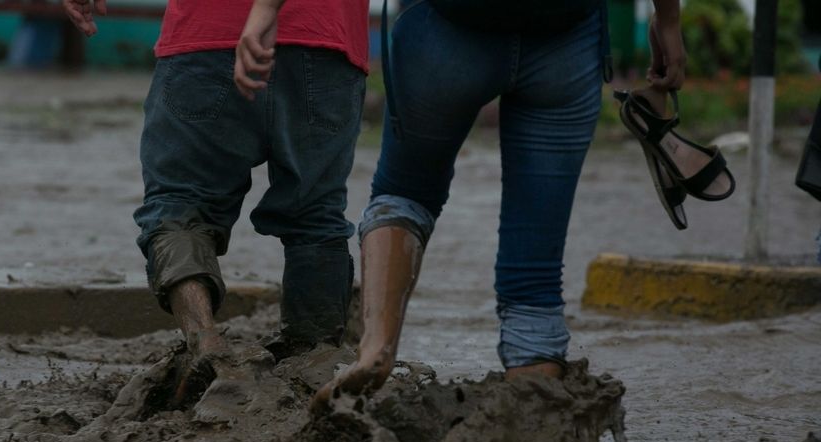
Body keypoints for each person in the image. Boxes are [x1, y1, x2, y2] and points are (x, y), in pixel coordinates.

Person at [236, 0, 688, 413]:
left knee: (406, 193)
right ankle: (533, 414)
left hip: (443, 34)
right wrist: (666, 20)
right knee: (534, 272)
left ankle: (376, 347)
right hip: (565, 40)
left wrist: (265, 9)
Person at [64, 0, 370, 401]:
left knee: (178, 205)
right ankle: (313, 365)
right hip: (328, 39)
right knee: (315, 213)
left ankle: (205, 344)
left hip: (207, 33)